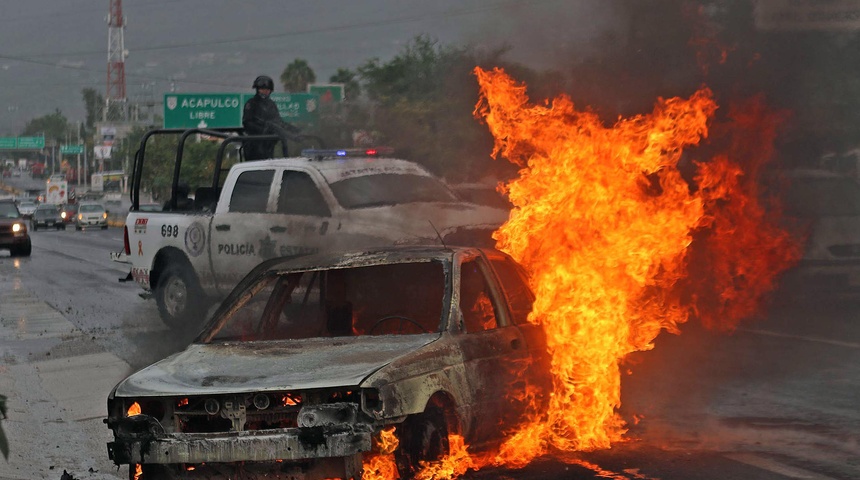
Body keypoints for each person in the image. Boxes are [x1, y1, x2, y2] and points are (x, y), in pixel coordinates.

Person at [242, 75, 301, 160]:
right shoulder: (251, 104)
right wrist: (263, 129)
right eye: (262, 89)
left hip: (268, 144)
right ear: (257, 89)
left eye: (267, 90)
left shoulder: (271, 105)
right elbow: (247, 123)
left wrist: (294, 130)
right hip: (254, 143)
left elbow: (279, 122)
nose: (265, 92)